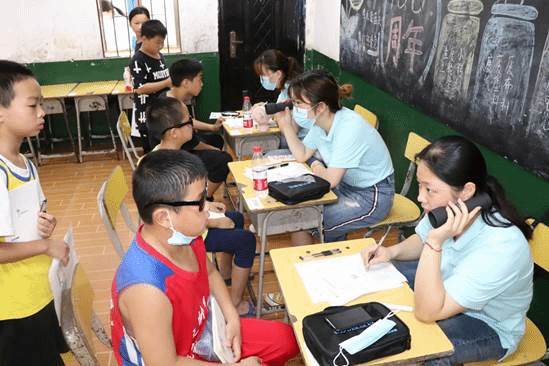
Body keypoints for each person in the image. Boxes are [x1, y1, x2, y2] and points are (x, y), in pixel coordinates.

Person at [111, 149, 299, 366]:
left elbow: (209, 272)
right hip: (176, 358)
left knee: (286, 339)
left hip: (201, 332)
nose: (207, 209)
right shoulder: (147, 291)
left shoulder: (180, 234)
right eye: (200, 202)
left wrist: (231, 316)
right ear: (163, 217)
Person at [362, 135, 534, 365]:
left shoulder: (502, 247)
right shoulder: (452, 210)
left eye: (429, 189)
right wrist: (391, 252)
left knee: (426, 352)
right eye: (420, 186)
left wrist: (435, 242)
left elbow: (426, 313)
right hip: (447, 284)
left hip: (487, 323)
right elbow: (421, 239)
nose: (420, 197)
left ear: (466, 191)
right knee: (382, 279)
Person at [146, 97, 257, 316]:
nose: (192, 124)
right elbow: (176, 216)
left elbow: (183, 203)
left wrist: (207, 205)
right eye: (188, 121)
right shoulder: (172, 168)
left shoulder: (165, 155)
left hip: (183, 224)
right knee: (247, 240)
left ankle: (226, 275)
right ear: (174, 132)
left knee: (233, 218)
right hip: (180, 237)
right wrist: (211, 221)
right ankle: (234, 304)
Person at [0, 60, 70, 365]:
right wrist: (45, 245)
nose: (42, 112)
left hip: (37, 291)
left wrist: (43, 224)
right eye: (32, 105)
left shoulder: (23, 162)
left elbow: (28, 216)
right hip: (13, 308)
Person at [277, 70, 395, 244]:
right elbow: (302, 154)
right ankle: (317, 260)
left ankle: (321, 261)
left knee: (309, 218)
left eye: (298, 103)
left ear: (321, 107)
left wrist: (317, 166)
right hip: (345, 185)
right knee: (302, 214)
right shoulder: (320, 122)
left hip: (372, 195)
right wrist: (286, 126)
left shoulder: (349, 128)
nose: (294, 108)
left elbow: (331, 180)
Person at [165, 58, 233, 200]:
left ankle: (202, 186)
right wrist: (215, 151)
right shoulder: (173, 107)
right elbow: (193, 143)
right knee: (224, 159)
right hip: (174, 157)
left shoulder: (172, 98)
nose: (202, 84)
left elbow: (189, 123)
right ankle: (203, 198)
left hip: (182, 145)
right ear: (186, 83)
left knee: (216, 139)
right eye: (199, 79)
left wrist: (212, 127)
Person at [130, 19, 171, 153]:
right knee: (154, 155)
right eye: (157, 42)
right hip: (148, 116)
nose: (161, 46)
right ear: (144, 39)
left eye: (162, 42)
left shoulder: (159, 56)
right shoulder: (138, 60)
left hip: (162, 112)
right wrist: (167, 83)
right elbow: (141, 89)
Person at [252, 49, 303, 151]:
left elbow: (291, 131)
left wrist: (274, 114)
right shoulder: (285, 88)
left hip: (300, 144)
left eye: (264, 75)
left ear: (278, 73)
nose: (263, 79)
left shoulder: (294, 92)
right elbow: (279, 107)